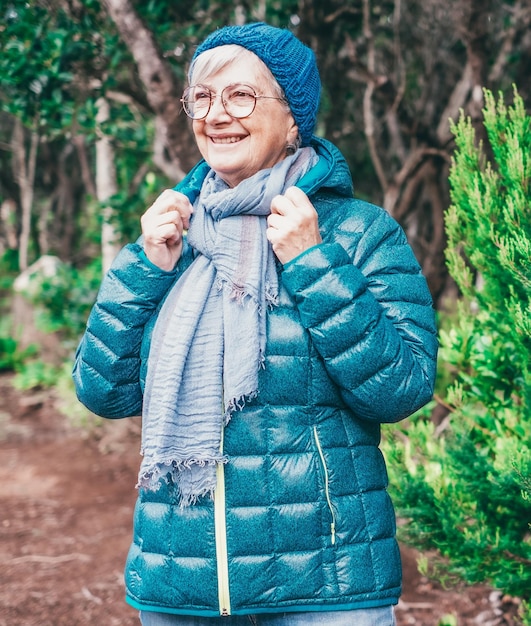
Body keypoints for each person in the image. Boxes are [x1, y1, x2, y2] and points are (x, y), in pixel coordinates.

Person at [73, 21, 438, 626]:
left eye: (241, 95)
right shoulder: (175, 233)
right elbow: (103, 391)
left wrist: (313, 262)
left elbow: (401, 388)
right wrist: (144, 268)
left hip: (325, 587)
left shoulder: (358, 233)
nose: (217, 114)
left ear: (293, 117)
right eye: (204, 97)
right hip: (180, 584)